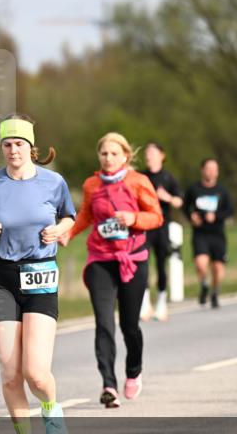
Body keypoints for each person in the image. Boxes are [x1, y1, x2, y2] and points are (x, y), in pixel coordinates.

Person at [0, 114, 75, 434]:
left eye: (19, 144)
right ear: (2, 148)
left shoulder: (53, 182)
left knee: (36, 373)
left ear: (31, 148)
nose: (13, 150)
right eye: (7, 144)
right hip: (4, 277)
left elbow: (69, 218)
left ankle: (51, 409)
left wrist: (58, 229)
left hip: (41, 275)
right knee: (10, 372)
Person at [63, 133, 162, 409]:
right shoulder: (92, 185)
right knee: (104, 323)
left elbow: (157, 217)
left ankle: (133, 370)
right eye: (104, 154)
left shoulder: (138, 182)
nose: (109, 159)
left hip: (133, 259)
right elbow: (86, 215)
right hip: (100, 259)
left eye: (114, 154)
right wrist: (68, 233)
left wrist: (134, 218)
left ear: (126, 157)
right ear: (99, 157)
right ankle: (108, 384)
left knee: (129, 325)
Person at [183, 158, 234, 309]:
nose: (212, 172)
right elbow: (185, 207)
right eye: (209, 168)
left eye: (215, 169)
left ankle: (215, 292)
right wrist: (191, 217)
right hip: (200, 233)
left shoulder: (222, 191)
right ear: (202, 170)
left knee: (218, 268)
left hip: (217, 233)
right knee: (201, 264)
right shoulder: (194, 189)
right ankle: (204, 284)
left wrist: (216, 216)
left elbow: (230, 210)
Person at [140, 143, 183, 322]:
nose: (149, 155)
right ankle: (145, 303)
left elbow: (179, 202)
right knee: (142, 264)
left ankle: (162, 302)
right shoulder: (141, 177)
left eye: (152, 152)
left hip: (162, 226)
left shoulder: (168, 178)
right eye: (147, 152)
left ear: (161, 155)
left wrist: (167, 197)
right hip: (144, 226)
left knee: (160, 264)